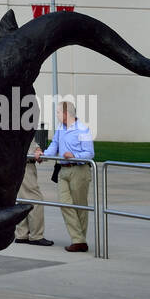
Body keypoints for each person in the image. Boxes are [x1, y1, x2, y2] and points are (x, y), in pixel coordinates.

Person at [37, 98, 94, 252]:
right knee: (65, 204)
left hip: (79, 171)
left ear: (65, 113)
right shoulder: (60, 129)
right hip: (63, 171)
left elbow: (90, 153)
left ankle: (79, 241)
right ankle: (78, 239)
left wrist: (74, 155)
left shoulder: (83, 129)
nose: (56, 115)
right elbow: (53, 146)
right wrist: (43, 155)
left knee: (79, 206)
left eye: (57, 112)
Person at [14, 137, 53, 246]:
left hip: (21, 165)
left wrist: (37, 149)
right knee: (36, 200)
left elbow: (30, 143)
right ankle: (36, 236)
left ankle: (22, 234)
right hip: (25, 165)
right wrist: (36, 152)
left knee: (23, 200)